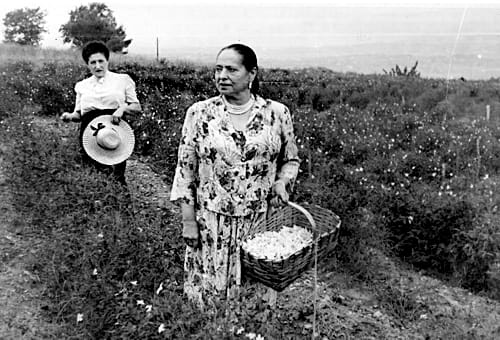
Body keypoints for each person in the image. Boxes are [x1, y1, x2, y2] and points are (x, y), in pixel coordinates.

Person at [170, 43, 300, 308]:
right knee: (210, 299)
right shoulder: (199, 114)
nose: (222, 76)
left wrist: (282, 182)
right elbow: (185, 170)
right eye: (218, 69)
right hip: (212, 224)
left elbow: (291, 160)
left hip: (260, 224)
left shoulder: (277, 113)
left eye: (231, 69)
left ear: (251, 74)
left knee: (254, 302)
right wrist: (188, 221)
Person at [61, 40, 141, 185]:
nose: (98, 66)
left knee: (116, 176)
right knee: (93, 177)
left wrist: (122, 109)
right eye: (93, 62)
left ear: (107, 60)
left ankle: (121, 206)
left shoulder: (123, 80)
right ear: (87, 64)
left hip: (115, 132)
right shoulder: (82, 86)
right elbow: (78, 114)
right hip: (90, 135)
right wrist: (69, 116)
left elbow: (136, 107)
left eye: (101, 61)